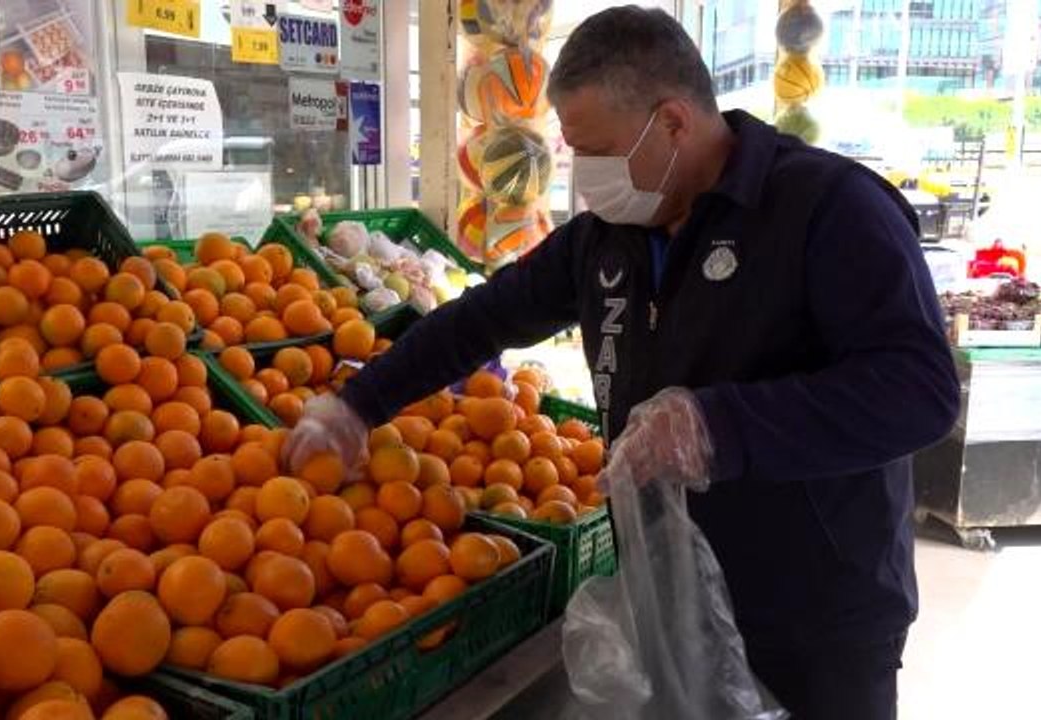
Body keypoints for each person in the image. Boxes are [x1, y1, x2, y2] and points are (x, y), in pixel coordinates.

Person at [285, 7, 959, 719]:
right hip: (670, 595)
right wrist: (359, 404)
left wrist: (719, 424)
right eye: (574, 153)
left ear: (672, 122)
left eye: (598, 152)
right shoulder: (608, 236)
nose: (585, 182)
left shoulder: (828, 208)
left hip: (817, 615)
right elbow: (484, 318)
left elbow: (919, 389)